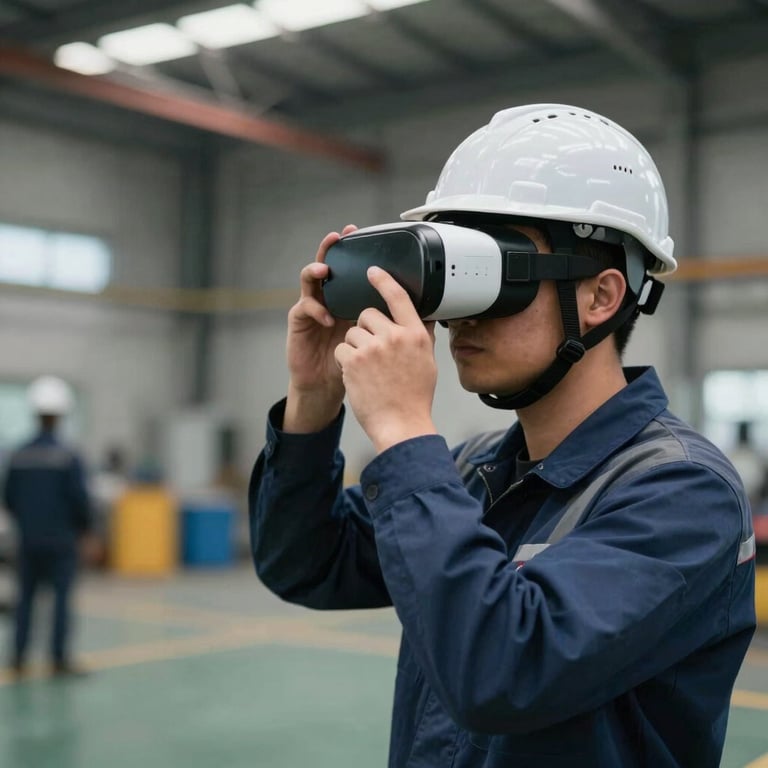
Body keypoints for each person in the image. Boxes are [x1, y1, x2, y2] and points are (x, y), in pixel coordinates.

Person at [249, 104, 756, 767]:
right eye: (459, 272)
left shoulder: (684, 491)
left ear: (603, 297)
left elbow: (500, 674)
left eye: (496, 272)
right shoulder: (476, 470)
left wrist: (403, 428)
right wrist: (316, 400)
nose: (462, 316)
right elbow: (307, 563)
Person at [2, 375, 93, 677]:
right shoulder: (68, 456)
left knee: (25, 600)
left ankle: (18, 657)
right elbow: (80, 500)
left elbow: (9, 498)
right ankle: (58, 660)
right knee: (61, 602)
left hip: (27, 540)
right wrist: (85, 531)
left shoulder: (18, 454)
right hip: (61, 541)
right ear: (61, 415)